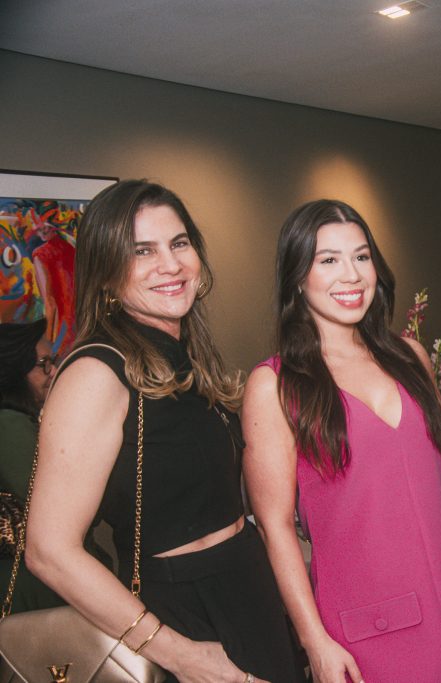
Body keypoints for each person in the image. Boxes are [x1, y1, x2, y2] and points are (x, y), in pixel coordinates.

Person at [24, 180, 304, 682]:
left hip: (246, 587)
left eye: (178, 243)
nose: (170, 265)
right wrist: (184, 656)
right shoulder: (96, 371)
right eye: (141, 252)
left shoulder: (181, 359)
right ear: (106, 276)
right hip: (188, 614)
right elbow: (49, 551)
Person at [243, 199, 441, 683]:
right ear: (298, 276)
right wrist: (313, 640)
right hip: (369, 628)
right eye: (328, 260)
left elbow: (434, 471)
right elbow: (275, 526)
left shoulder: (411, 356)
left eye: (362, 257)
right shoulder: (275, 385)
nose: (352, 275)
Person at [0, 318, 64, 613]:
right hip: (28, 594)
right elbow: (52, 505)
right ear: (16, 369)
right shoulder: (9, 425)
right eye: (45, 363)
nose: (54, 372)